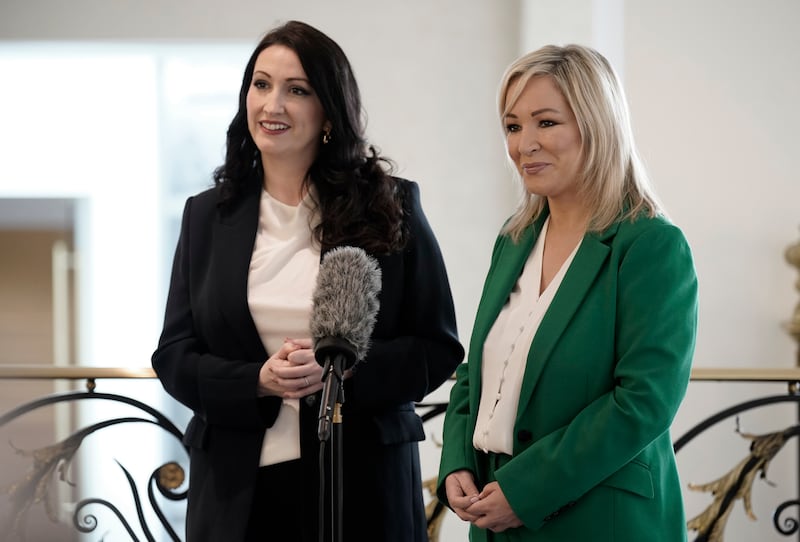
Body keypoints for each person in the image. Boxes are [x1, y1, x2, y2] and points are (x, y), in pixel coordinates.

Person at [152, 20, 464, 542]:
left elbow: (436, 348)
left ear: (328, 112)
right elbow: (175, 356)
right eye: (261, 84)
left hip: (363, 486)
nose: (272, 104)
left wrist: (339, 373)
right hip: (238, 492)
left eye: (297, 90)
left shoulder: (392, 205)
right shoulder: (206, 216)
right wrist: (257, 380)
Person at [436, 44, 698, 542]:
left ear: (596, 125)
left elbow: (644, 400)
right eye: (513, 126)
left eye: (546, 123)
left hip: (601, 520)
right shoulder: (514, 241)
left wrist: (527, 490)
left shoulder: (651, 244)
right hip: (496, 518)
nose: (524, 144)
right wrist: (457, 462)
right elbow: (477, 371)